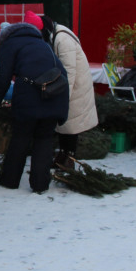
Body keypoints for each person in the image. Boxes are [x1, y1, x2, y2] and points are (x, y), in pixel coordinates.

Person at [0, 13, 70, 193]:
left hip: (30, 95)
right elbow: (62, 72)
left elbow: (3, 79)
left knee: (21, 136)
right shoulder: (43, 44)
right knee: (44, 138)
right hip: (56, 95)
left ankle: (9, 180)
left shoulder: (10, 44)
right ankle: (40, 184)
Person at [39, 13, 98, 169]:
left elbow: (69, 70)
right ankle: (63, 155)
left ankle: (69, 157)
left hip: (75, 86)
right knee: (66, 125)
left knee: (72, 124)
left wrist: (65, 95)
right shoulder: (57, 35)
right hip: (71, 84)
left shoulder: (62, 40)